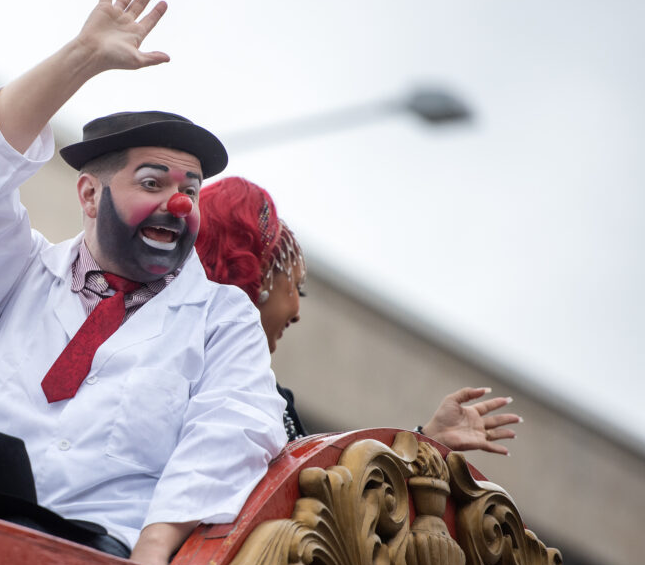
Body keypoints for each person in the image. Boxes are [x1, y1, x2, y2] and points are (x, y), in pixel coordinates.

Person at [0, 0, 286, 565]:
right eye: (153, 182)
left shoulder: (221, 319)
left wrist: (152, 552)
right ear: (89, 196)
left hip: (106, 560)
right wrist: (81, 57)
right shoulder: (17, 277)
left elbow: (232, 428)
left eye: (190, 188)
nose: (180, 203)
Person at [195, 176, 522, 454]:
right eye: (295, 288)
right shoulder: (174, 368)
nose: (296, 312)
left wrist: (427, 440)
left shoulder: (272, 399)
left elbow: (325, 492)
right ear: (260, 277)